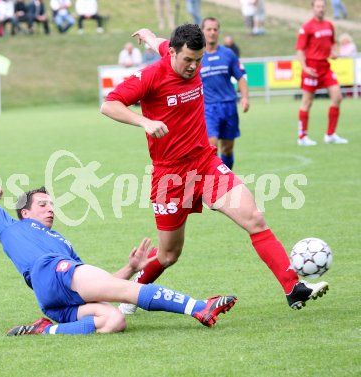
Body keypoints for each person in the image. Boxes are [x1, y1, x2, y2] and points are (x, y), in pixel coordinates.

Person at [100, 24, 329, 315]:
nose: (193, 67)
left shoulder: (178, 53)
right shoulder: (150, 76)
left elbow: (159, 41)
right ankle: (130, 295)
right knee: (169, 254)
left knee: (255, 218)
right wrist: (144, 122)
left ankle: (293, 288)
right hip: (170, 176)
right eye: (188, 61)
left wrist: (148, 37)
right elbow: (109, 105)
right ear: (172, 53)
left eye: (198, 61)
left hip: (206, 164)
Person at [0, 185, 238, 335]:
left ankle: (44, 331)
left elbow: (99, 285)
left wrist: (132, 267)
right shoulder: (9, 226)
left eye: (52, 204)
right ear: (24, 212)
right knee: (127, 292)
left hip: (53, 300)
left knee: (114, 321)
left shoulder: (62, 242)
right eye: (43, 204)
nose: (51, 209)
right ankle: (199, 307)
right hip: (51, 272)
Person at [296, 0, 348, 146]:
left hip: (325, 67)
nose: (321, 9)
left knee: (337, 97)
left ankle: (330, 134)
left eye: (323, 6)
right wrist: (305, 68)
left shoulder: (329, 25)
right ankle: (302, 136)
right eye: (318, 6)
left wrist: (335, 52)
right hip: (311, 68)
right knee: (307, 102)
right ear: (313, 8)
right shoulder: (306, 27)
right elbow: (300, 50)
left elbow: (333, 42)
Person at [200, 18, 249, 171]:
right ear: (202, 31)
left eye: (215, 29)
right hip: (208, 108)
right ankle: (214, 185)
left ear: (218, 32)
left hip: (228, 107)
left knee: (227, 149)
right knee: (212, 147)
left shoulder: (228, 54)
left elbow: (240, 77)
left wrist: (245, 97)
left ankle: (226, 180)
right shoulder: (196, 56)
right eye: (208, 29)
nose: (212, 32)